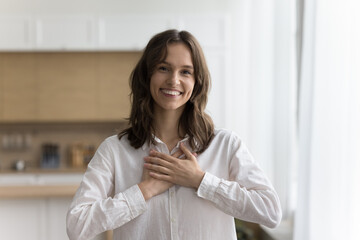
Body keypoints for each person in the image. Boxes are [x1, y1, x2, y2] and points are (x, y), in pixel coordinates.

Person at [66, 29, 282, 240]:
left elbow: (270, 211)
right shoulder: (114, 150)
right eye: (163, 68)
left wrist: (200, 181)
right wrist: (143, 191)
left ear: (197, 81)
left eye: (186, 71)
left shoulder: (225, 145)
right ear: (147, 75)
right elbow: (77, 225)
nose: (174, 80)